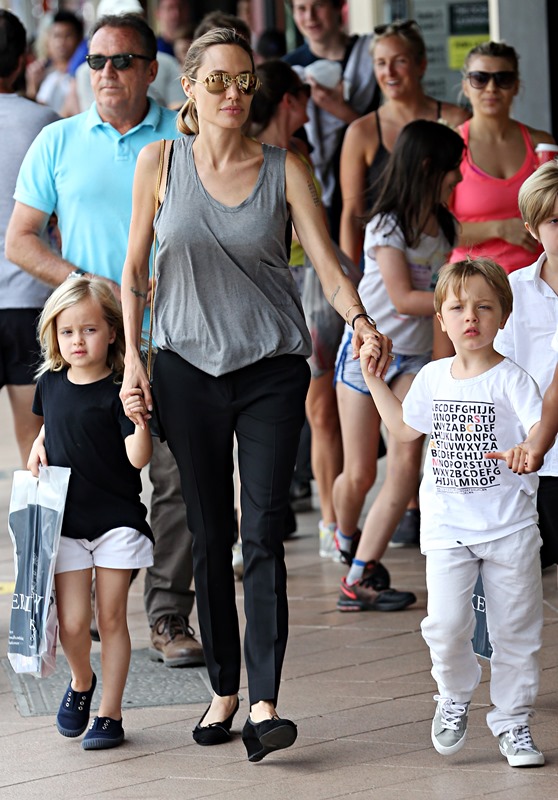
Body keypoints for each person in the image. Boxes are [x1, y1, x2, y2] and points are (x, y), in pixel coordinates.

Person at [120, 28, 389, 761]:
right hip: (184, 369)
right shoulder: (158, 163)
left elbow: (327, 266)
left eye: (244, 82)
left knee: (264, 530)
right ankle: (224, 689)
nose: (233, 94)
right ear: (189, 88)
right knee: (210, 533)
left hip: (270, 367)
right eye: (217, 81)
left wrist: (360, 320)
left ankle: (265, 702)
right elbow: (134, 269)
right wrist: (133, 362)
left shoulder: (284, 168)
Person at [6, 12, 203, 668]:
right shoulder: (58, 140)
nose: (107, 72)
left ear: (151, 69)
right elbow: (21, 240)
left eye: (122, 61)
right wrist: (86, 287)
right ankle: (85, 606)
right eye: (96, 61)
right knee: (81, 472)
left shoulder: (182, 136)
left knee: (174, 477)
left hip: (174, 337)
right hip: (88, 345)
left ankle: (168, 615)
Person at [360, 257, 545, 768]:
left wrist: (528, 449)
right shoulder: (432, 377)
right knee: (444, 625)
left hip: (509, 527)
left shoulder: (513, 380)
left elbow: (537, 428)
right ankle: (454, 694)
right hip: (447, 529)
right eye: (459, 308)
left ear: (503, 315)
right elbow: (403, 429)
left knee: (516, 631)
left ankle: (513, 722)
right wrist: (374, 381)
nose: (471, 317)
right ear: (441, 319)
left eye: (484, 307)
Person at [333, 120, 464, 611]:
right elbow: (403, 297)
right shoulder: (386, 224)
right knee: (360, 473)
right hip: (365, 354)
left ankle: (359, 574)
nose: (459, 178)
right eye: (453, 168)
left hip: (412, 359)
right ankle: (346, 538)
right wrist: (464, 298)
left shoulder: (444, 226)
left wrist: (444, 361)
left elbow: (434, 309)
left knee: (407, 462)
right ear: (428, 167)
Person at [28, 278, 154, 750]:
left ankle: (110, 713)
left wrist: (139, 420)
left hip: (117, 520)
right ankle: (82, 680)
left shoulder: (121, 389)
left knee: (112, 616)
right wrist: (38, 445)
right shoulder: (49, 383)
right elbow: (55, 424)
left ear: (112, 332)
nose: (77, 341)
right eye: (67, 332)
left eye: (89, 330)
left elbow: (138, 459)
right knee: (73, 623)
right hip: (66, 524)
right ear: (54, 336)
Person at [249, 59, 343, 555]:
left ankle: (332, 521)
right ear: (289, 99)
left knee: (321, 410)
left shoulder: (298, 153)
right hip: (268, 285)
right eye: (305, 95)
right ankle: (251, 524)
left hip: (313, 287)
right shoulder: (249, 154)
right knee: (259, 411)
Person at [339, 19, 469, 267]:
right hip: (384, 264)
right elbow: (353, 213)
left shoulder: (457, 120)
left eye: (399, 61)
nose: (389, 72)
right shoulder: (362, 132)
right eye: (380, 63)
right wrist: (347, 276)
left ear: (421, 64)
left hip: (446, 256)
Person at [0, 10, 59, 468]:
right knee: (35, 449)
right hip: (29, 299)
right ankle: (35, 520)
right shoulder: (46, 123)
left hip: (27, 299)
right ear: (23, 60)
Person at [492, 160, 558, 568]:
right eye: (555, 221)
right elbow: (500, 371)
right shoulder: (514, 290)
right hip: (535, 459)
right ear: (532, 229)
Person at [450, 41, 555, 274]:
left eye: (503, 79)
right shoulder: (451, 145)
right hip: (472, 284)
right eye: (480, 78)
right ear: (466, 86)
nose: (491, 88)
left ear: (516, 85)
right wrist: (499, 228)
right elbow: (435, 229)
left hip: (536, 280)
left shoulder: (541, 144)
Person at [284, 0, 379, 241]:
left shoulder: (372, 59)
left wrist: (341, 110)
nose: (310, 17)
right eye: (301, 9)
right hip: (314, 193)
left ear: (339, 7)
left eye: (318, 6)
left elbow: (388, 132)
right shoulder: (288, 69)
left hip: (373, 188)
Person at [26, 10, 83, 114]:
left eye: (68, 36)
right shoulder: (42, 75)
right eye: (57, 36)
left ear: (79, 38)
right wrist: (32, 86)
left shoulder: (83, 74)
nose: (61, 42)